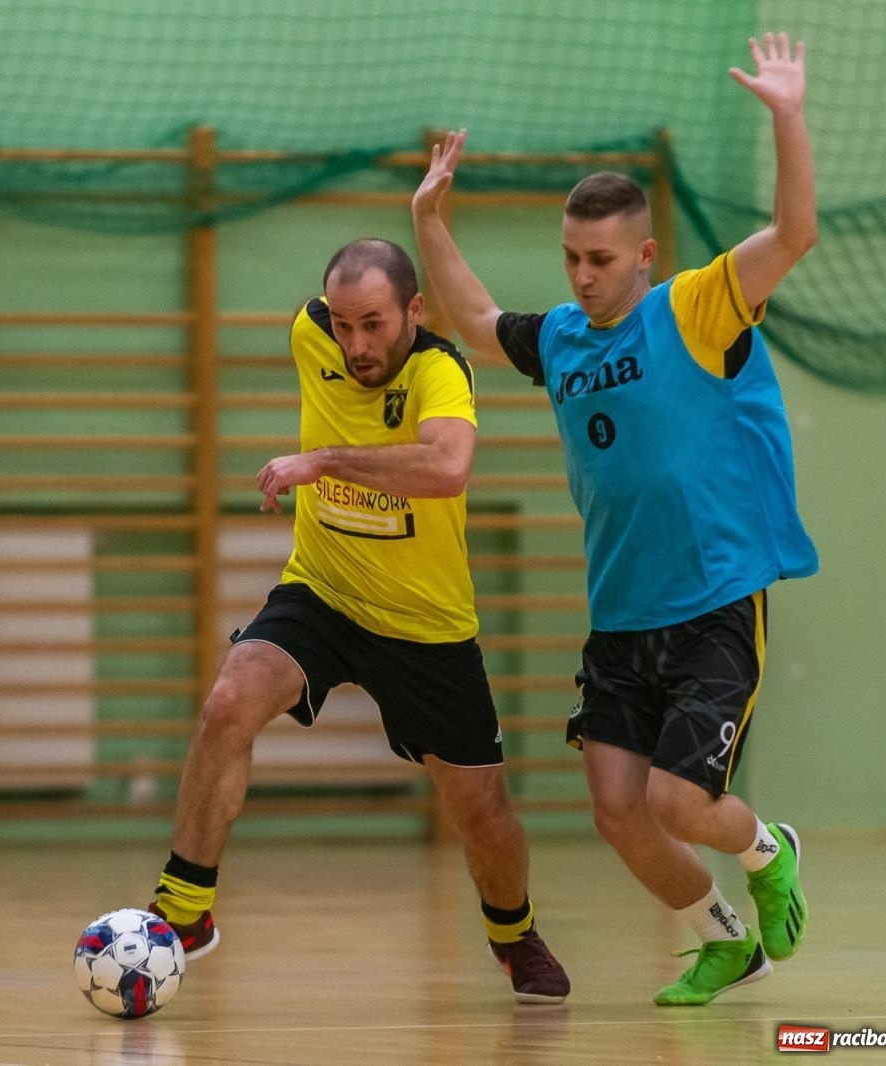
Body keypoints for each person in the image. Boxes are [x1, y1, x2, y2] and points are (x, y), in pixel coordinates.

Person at [410, 34, 817, 1005]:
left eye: (599, 260)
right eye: (570, 258)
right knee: (617, 812)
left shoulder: (696, 308)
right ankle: (724, 941)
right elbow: (476, 320)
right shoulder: (560, 338)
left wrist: (787, 116)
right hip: (622, 616)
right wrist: (429, 218)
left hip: (714, 601)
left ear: (643, 255)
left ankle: (769, 851)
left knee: (679, 801)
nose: (582, 276)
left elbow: (793, 233)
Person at [146, 237, 571, 1004]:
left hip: (425, 624)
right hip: (324, 592)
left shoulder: (441, 371)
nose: (355, 345)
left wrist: (323, 462)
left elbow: (447, 467)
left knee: (484, 814)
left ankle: (514, 933)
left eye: (373, 324)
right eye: (343, 325)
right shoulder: (309, 333)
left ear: (414, 310)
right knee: (228, 702)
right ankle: (184, 908)